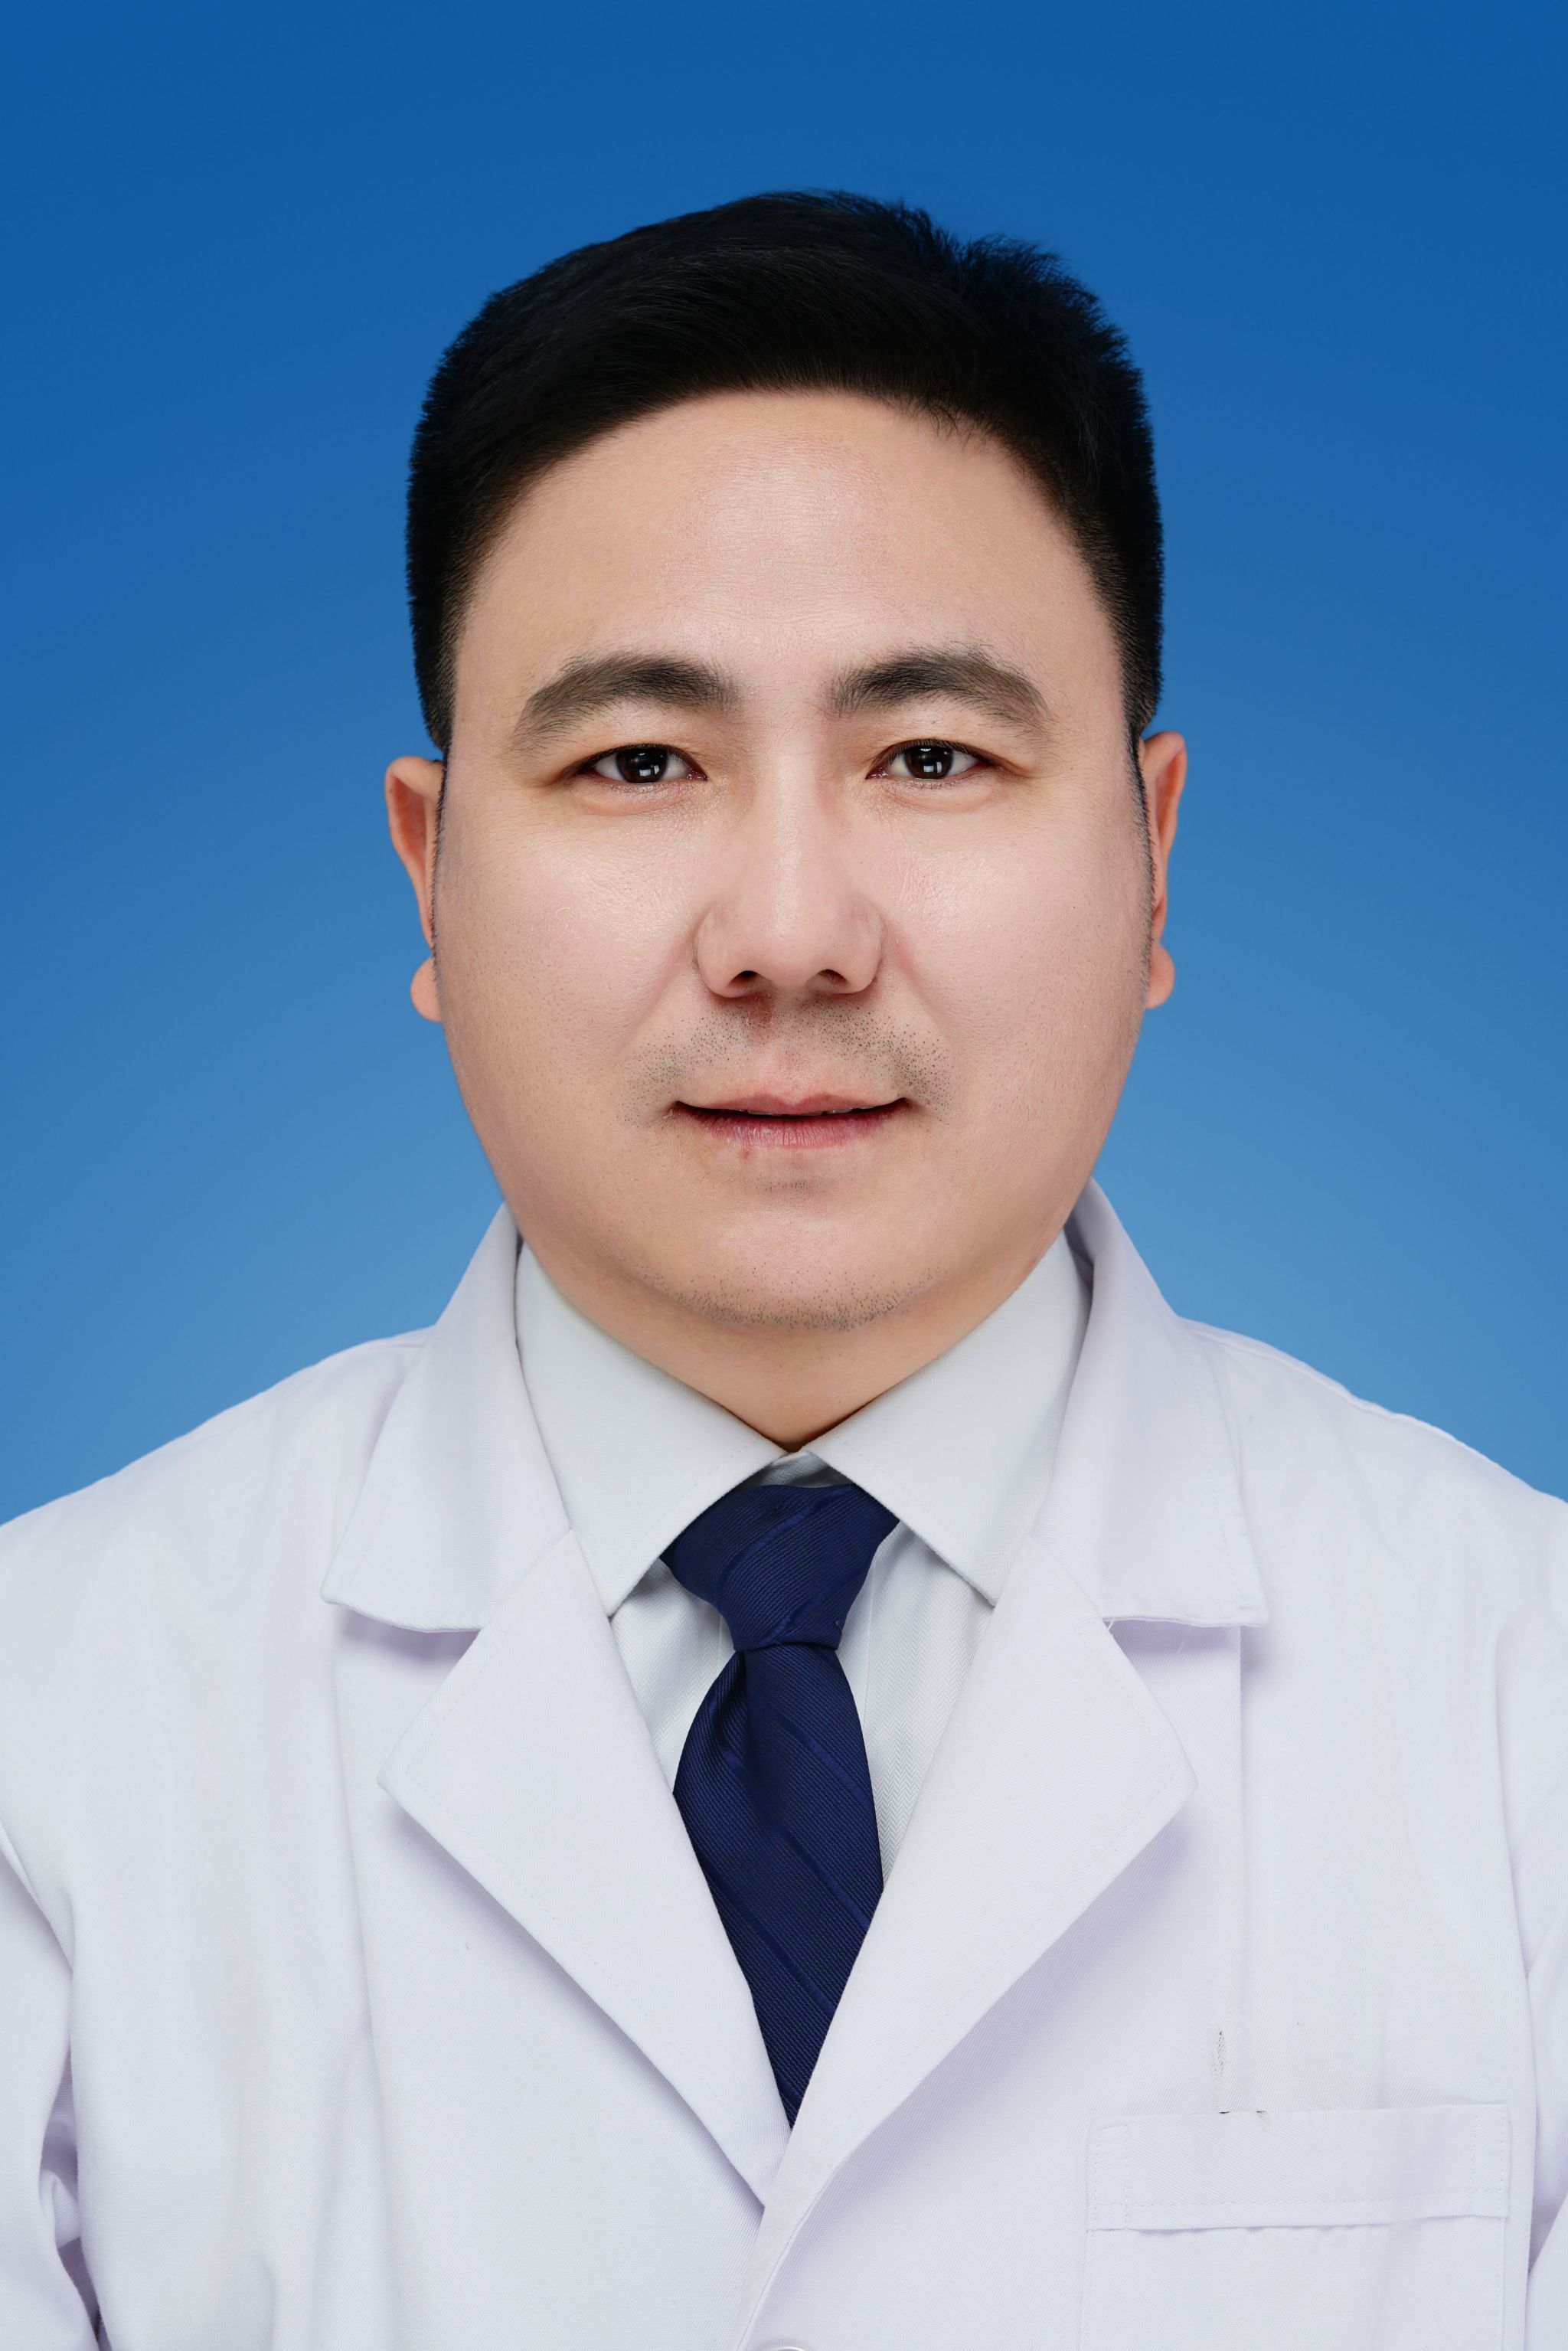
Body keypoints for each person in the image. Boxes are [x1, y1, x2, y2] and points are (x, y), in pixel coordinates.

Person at [0, 190, 1562, 2351]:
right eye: (640, 761)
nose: (790, 935)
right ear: (431, 877)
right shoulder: (48, 1729)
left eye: (932, 756)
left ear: (1154, 856)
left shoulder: (1522, 1697)